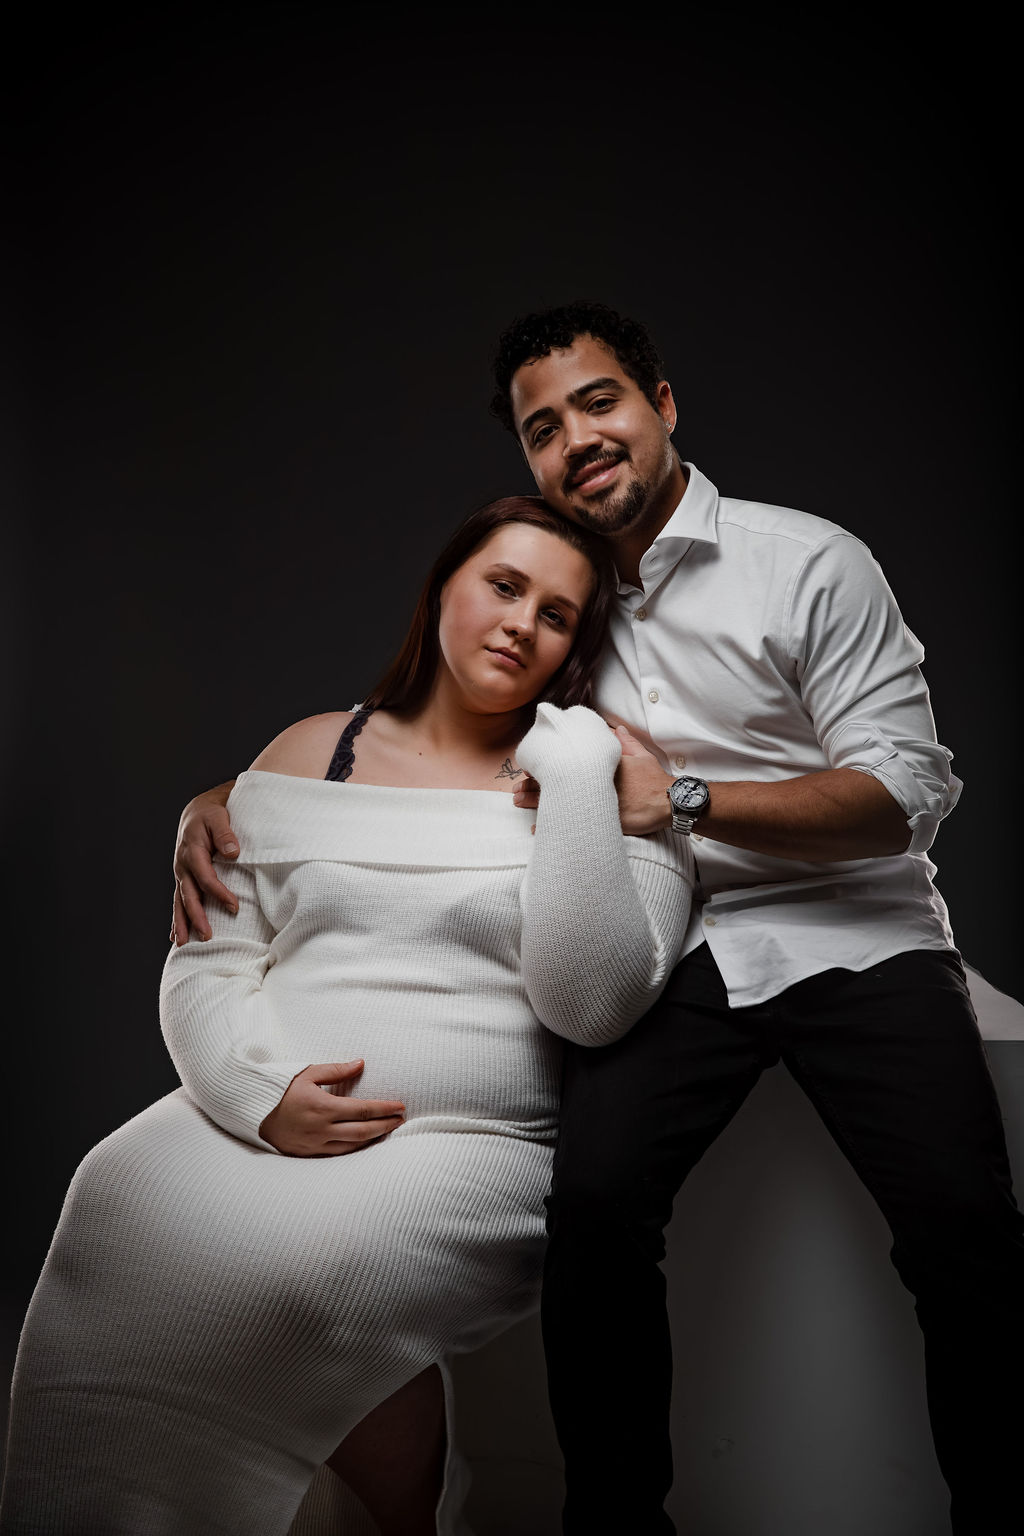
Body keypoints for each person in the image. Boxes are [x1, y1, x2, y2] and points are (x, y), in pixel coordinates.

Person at [172, 303, 1023, 1536]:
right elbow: (413, 726)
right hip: (675, 950)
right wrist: (223, 796)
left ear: (661, 405)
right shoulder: (556, 595)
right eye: (542, 428)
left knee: (963, 1234)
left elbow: (903, 798)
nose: (576, 439)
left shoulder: (808, 562)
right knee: (593, 1220)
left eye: (598, 402)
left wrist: (679, 799)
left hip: (854, 932)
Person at [0, 494, 696, 1536]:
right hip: (253, 1114)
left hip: (475, 1142)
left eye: (555, 615)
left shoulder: (613, 781)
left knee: (315, 1270)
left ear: (575, 647)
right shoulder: (313, 749)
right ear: (444, 589)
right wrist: (258, 1096)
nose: (521, 623)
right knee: (114, 1192)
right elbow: (208, 961)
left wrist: (576, 778)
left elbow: (591, 1005)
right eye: (504, 586)